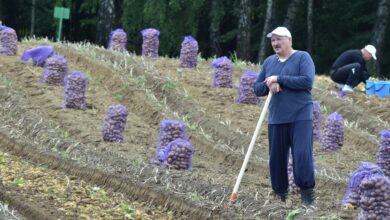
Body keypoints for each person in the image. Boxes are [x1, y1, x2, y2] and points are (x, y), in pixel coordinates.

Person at [253, 26, 316, 207]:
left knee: (302, 154)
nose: (275, 43)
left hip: (300, 116)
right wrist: (269, 82)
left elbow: (306, 81)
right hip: (277, 117)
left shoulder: (302, 57)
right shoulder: (269, 62)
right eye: (272, 40)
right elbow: (257, 89)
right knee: (276, 157)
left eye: (279, 39)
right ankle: (279, 194)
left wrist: (279, 78)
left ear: (289, 40)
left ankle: (307, 196)